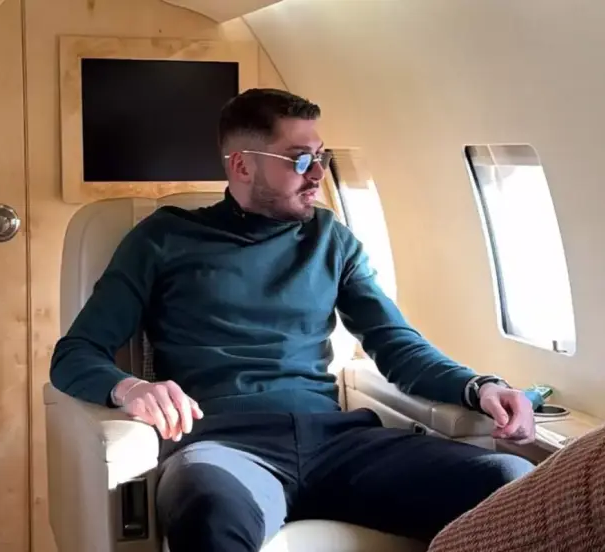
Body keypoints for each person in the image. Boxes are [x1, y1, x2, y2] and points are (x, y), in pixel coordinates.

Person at [50, 88, 536, 551]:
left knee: (509, 482)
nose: (317, 174)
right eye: (300, 159)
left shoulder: (331, 240)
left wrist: (479, 387)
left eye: (321, 157)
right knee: (208, 509)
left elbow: (397, 346)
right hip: (225, 447)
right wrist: (130, 388)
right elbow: (74, 354)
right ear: (242, 165)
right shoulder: (162, 239)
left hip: (338, 443)